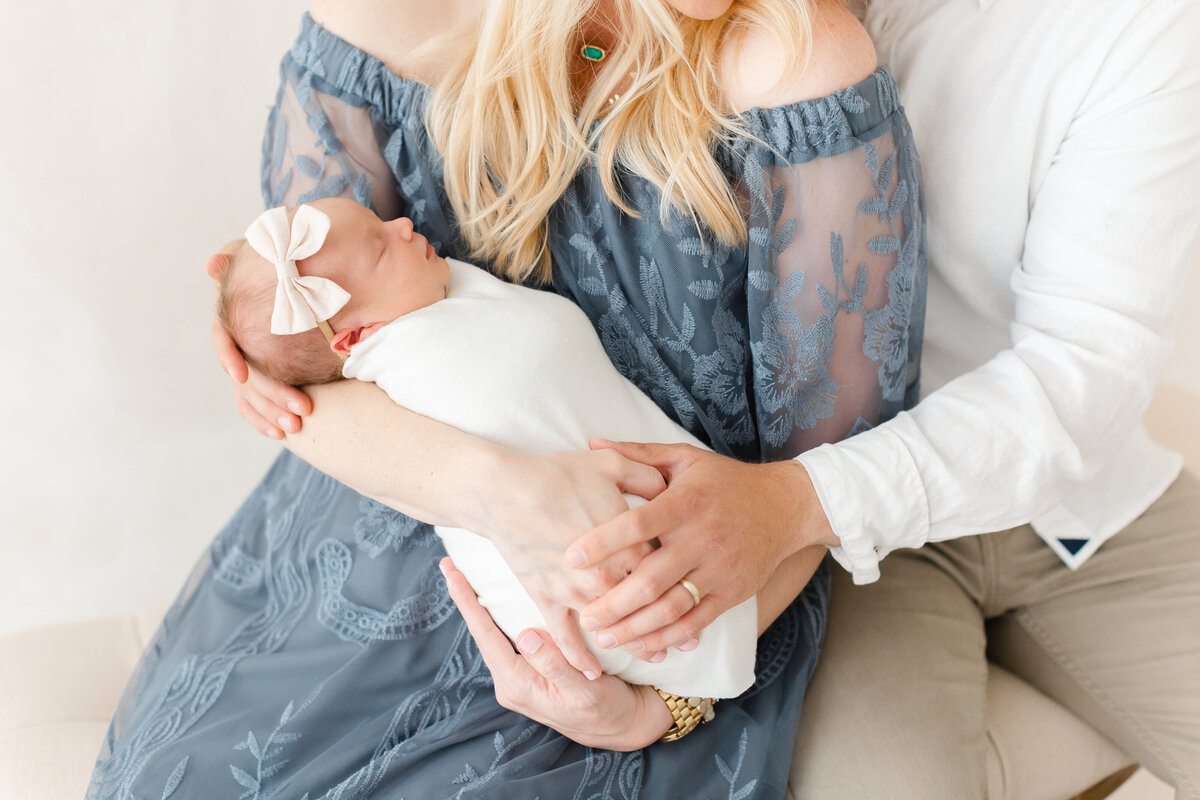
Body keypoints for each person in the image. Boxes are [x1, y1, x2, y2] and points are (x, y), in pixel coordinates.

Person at [88, 0, 923, 797]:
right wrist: (501, 493)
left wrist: (660, 709)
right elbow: (303, 377)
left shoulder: (798, 65)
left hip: (641, 602)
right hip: (374, 525)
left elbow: (821, 485)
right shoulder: (384, 21)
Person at [538, 0, 1200, 796]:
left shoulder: (1141, 29)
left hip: (1074, 514)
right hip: (858, 557)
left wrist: (794, 502)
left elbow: (1082, 375)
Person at [217, 198, 766, 697]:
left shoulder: (415, 303)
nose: (405, 224)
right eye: (382, 248)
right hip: (568, 609)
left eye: (382, 223)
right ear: (356, 338)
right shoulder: (414, 361)